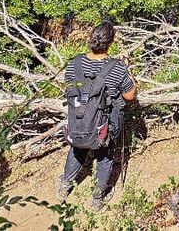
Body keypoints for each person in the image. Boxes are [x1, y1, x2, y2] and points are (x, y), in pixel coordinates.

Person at [57, 21, 137, 210]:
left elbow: (69, 87)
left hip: (79, 120)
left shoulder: (74, 64)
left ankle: (64, 186)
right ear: (110, 43)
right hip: (105, 123)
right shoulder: (116, 67)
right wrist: (126, 69)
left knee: (77, 150)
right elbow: (130, 95)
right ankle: (97, 198)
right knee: (105, 156)